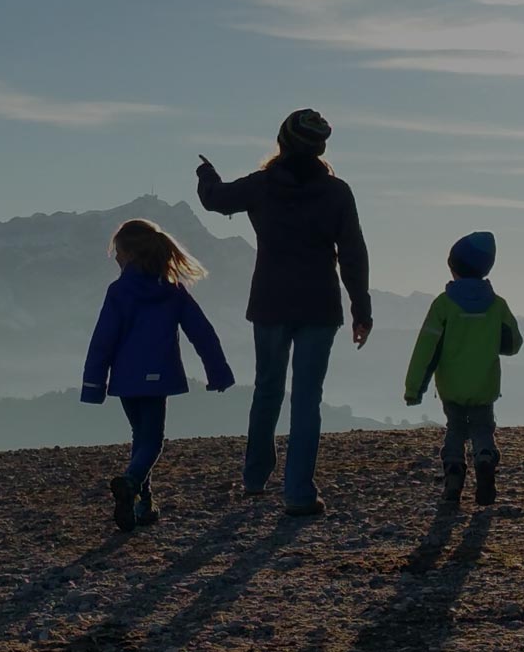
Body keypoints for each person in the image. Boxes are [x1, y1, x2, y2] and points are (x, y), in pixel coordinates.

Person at [195, 108, 370, 517]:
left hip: (270, 301)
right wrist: (361, 307)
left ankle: (255, 477)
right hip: (319, 304)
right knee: (307, 399)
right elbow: (353, 253)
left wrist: (206, 175)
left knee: (268, 389)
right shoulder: (337, 192)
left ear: (282, 142)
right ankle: (298, 493)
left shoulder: (262, 185)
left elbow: (216, 200)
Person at [81, 218, 235, 531]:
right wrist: (217, 372)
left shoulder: (118, 292)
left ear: (129, 254)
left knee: (142, 437)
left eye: (118, 252)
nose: (116, 258)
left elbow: (102, 341)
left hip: (126, 380)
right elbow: (202, 333)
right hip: (160, 376)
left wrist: (93, 385)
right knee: (152, 441)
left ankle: (143, 501)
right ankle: (132, 484)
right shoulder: (172, 291)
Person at [404, 230, 523, 506]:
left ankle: (454, 477)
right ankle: (485, 459)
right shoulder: (497, 305)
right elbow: (513, 344)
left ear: (454, 267)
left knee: (455, 429)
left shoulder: (443, 306)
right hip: (484, 385)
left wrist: (414, 388)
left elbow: (426, 349)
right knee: (483, 429)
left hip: (451, 386)